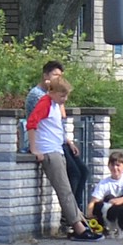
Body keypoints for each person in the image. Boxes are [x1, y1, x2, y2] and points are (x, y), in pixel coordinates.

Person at [27, 75, 102, 241]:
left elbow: (56, 128)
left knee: (67, 188)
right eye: (62, 95)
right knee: (65, 191)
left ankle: (81, 224)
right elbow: (31, 123)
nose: (65, 99)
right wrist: (35, 149)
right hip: (49, 152)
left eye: (66, 95)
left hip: (56, 149)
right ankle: (78, 228)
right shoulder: (45, 103)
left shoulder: (54, 104)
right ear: (51, 92)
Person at [21, 60, 89, 211]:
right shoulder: (39, 96)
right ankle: (71, 215)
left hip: (58, 140)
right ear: (45, 76)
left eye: (61, 77)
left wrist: (68, 140)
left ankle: (77, 213)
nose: (58, 80)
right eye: (55, 76)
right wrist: (34, 148)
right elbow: (35, 123)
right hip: (48, 143)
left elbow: (59, 120)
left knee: (83, 171)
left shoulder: (52, 97)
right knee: (74, 174)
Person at [87, 152, 123, 239]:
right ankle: (102, 228)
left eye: (118, 165)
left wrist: (121, 200)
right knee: (102, 202)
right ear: (108, 166)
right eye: (112, 165)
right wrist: (90, 214)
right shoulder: (104, 183)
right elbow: (94, 201)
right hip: (110, 211)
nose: (115, 168)